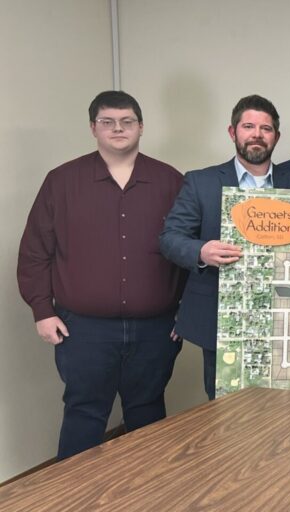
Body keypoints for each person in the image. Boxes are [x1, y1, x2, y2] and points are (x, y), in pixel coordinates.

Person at [17, 90, 184, 459]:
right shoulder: (61, 181)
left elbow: (190, 250)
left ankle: (150, 487)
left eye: (126, 121)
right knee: (84, 414)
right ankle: (73, 490)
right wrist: (42, 311)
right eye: (107, 122)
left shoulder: (171, 181)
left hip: (155, 329)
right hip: (83, 330)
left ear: (141, 126)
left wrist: (186, 312)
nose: (118, 128)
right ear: (93, 127)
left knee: (148, 413)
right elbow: (34, 252)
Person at [160, 95, 290, 400]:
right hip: (221, 319)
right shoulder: (201, 182)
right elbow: (170, 238)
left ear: (276, 137)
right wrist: (201, 252)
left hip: (284, 318)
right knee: (225, 409)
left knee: (285, 408)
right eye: (248, 126)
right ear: (233, 132)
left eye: (266, 129)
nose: (257, 134)